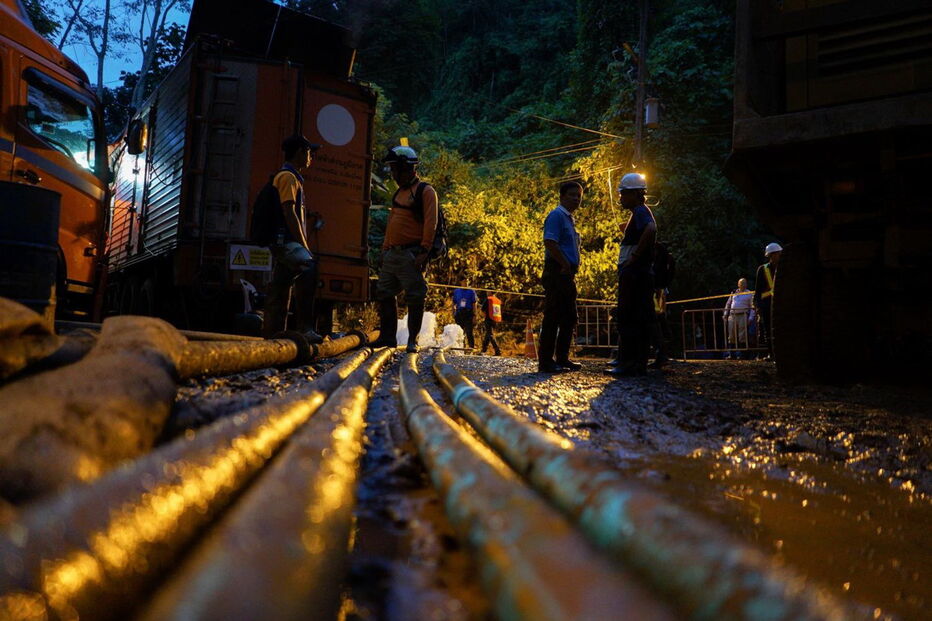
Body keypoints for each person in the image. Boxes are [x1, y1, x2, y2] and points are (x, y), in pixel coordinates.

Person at [369, 144, 438, 353]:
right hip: (393, 253)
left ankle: (412, 340)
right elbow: (392, 222)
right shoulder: (399, 193)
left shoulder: (425, 192)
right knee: (384, 293)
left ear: (407, 168)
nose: (393, 174)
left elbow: (430, 222)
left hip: (412, 253)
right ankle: (387, 337)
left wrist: (424, 251)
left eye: (395, 169)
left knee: (415, 296)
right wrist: (385, 249)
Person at [262, 134, 323, 343]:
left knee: (280, 286)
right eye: (308, 152)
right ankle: (305, 328)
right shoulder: (287, 177)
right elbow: (289, 212)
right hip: (285, 241)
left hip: (282, 241)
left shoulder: (291, 177)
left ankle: (273, 336)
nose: (310, 156)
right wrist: (304, 245)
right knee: (308, 267)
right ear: (299, 152)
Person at [606, 172, 656, 377]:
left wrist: (633, 257)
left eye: (624, 194)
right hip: (636, 272)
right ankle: (634, 362)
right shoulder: (638, 213)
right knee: (636, 316)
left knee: (629, 315)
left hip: (634, 273)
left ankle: (629, 363)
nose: (620, 198)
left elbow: (651, 229)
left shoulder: (641, 211)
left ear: (635, 194)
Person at [538, 181, 584, 373]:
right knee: (553, 316)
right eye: (572, 195)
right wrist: (565, 263)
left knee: (569, 316)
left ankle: (562, 358)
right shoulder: (557, 215)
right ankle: (546, 361)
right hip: (557, 270)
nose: (576, 199)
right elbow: (549, 241)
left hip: (567, 272)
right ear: (562, 196)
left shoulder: (569, 219)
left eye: (579, 196)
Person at [753, 242, 782, 359]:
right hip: (766, 304)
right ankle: (771, 353)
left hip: (780, 304)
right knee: (768, 331)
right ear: (771, 255)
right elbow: (758, 289)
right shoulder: (763, 269)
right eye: (778, 254)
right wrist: (757, 305)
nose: (780, 256)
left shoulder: (783, 268)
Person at [723, 277, 753, 359]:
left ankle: (743, 355)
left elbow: (752, 306)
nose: (742, 284)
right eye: (741, 283)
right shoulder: (733, 293)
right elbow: (728, 304)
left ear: (746, 284)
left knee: (742, 335)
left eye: (744, 283)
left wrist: (750, 318)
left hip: (743, 315)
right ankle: (732, 354)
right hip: (732, 315)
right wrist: (725, 314)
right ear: (738, 284)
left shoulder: (750, 293)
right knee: (731, 335)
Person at [452, 281, 477, 350]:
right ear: (461, 282)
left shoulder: (471, 291)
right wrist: (453, 311)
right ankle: (461, 347)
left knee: (469, 331)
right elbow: (454, 302)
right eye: (464, 281)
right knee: (460, 331)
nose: (466, 283)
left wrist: (474, 315)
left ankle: (471, 348)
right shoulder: (457, 291)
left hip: (468, 313)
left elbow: (474, 303)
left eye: (467, 281)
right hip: (459, 313)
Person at [480, 290, 502, 356]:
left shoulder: (488, 299)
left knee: (490, 335)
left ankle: (497, 350)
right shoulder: (497, 300)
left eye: (487, 291)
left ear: (490, 292)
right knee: (488, 335)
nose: (487, 292)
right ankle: (483, 350)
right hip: (495, 320)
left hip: (488, 319)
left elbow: (482, 309)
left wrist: (483, 317)